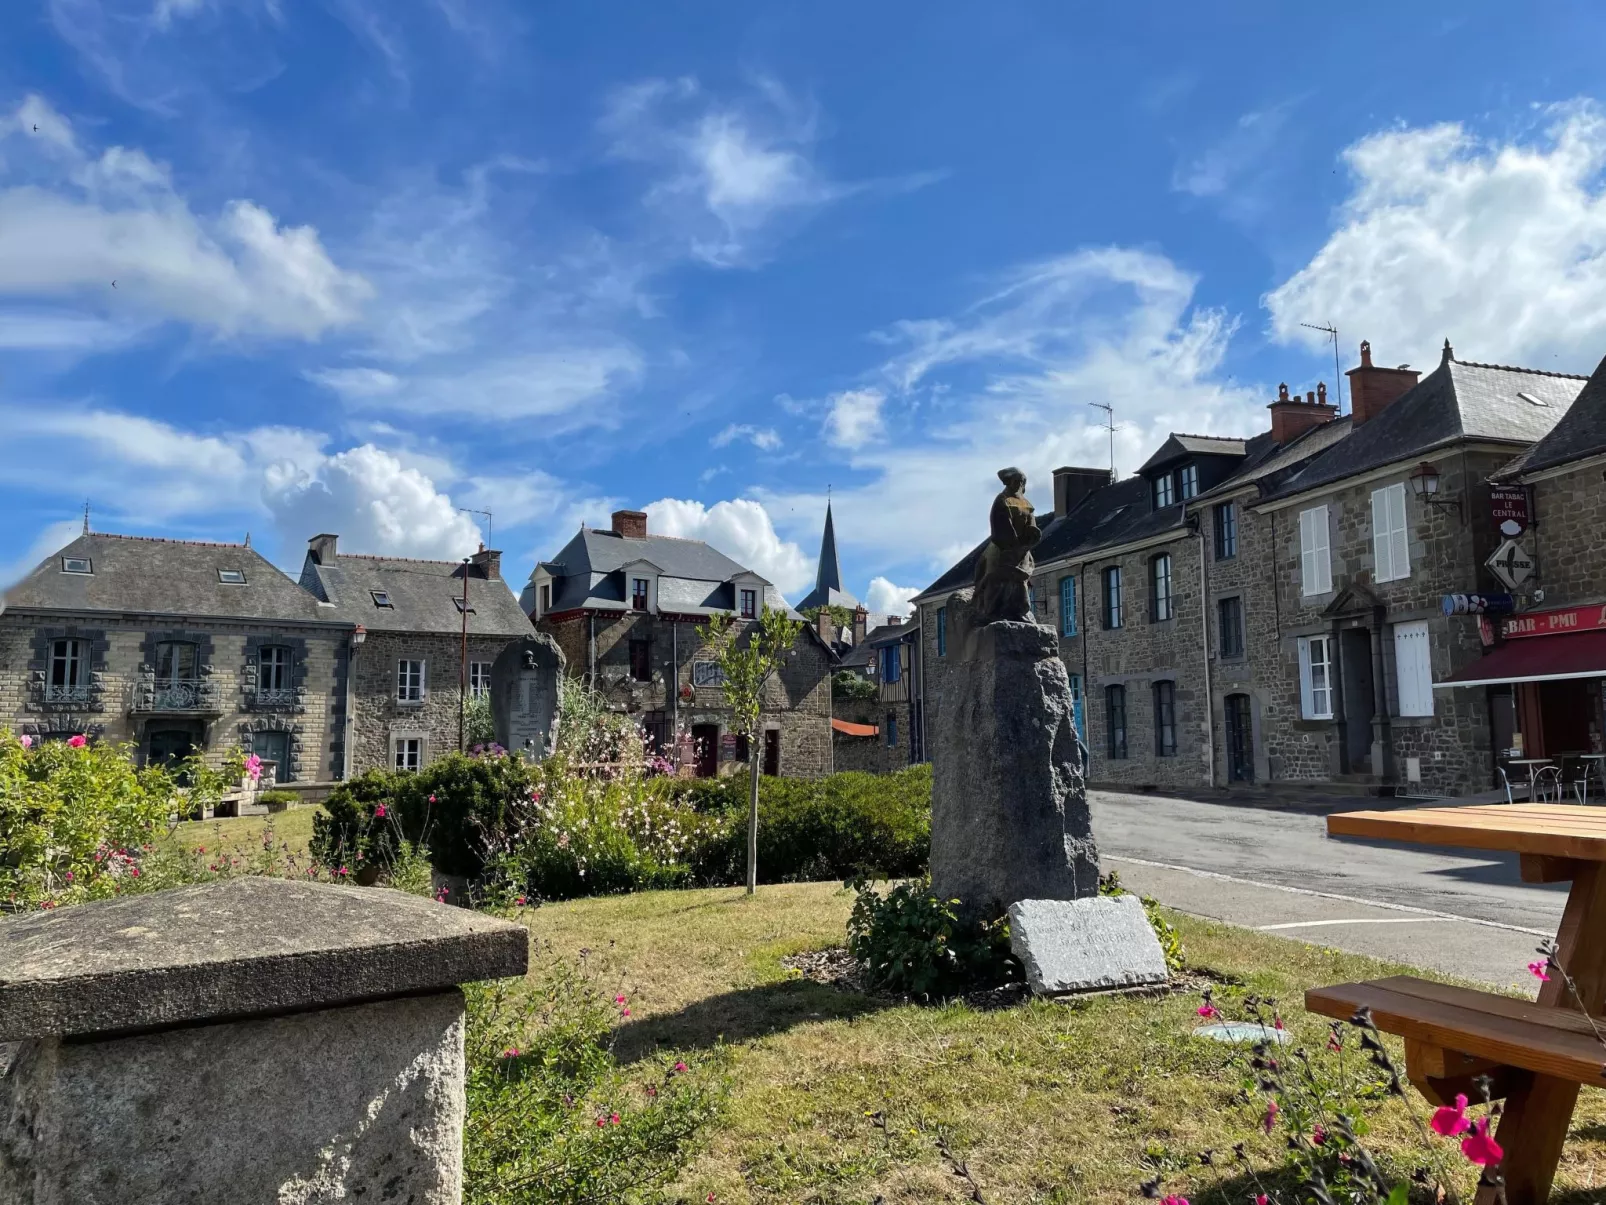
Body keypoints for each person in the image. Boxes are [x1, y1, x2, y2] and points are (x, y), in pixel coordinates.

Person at [972, 466, 1041, 623]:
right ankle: (991, 611)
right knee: (996, 577)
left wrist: (1030, 537)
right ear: (1009, 482)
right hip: (1003, 546)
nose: (1018, 484)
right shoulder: (1002, 500)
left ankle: (1021, 611)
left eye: (1021, 481)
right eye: (1015, 481)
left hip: (1021, 548)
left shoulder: (1026, 503)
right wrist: (1011, 543)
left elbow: (1032, 523)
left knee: (1020, 581)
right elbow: (1000, 525)